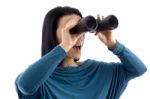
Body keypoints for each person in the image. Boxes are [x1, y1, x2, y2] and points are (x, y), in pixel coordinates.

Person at [15, 6, 147, 99]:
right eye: (72, 30)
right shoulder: (39, 80)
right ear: (52, 35)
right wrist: (64, 46)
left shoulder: (100, 72)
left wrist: (113, 44)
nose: (79, 36)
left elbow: (139, 69)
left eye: (82, 30)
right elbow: (25, 85)